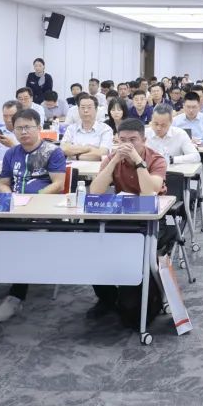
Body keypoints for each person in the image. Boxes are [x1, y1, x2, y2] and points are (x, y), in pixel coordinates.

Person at [0, 108, 67, 323]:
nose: (23, 132)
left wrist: (34, 199)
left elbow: (58, 184)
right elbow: (4, 183)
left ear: (39, 128)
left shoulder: (53, 152)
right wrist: (9, 197)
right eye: (19, 128)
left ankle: (15, 297)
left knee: (23, 241)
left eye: (28, 127)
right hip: (14, 211)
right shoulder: (11, 153)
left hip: (43, 213)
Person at [88, 118, 168, 325]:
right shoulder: (113, 158)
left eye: (133, 140)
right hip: (121, 217)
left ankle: (135, 296)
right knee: (91, 244)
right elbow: (95, 191)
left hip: (151, 220)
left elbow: (149, 193)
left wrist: (138, 161)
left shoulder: (156, 159)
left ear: (144, 140)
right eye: (122, 140)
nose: (127, 145)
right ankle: (106, 298)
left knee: (132, 251)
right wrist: (115, 160)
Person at [60, 94, 114, 161]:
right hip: (71, 166)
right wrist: (88, 148)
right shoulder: (71, 128)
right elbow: (64, 149)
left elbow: (102, 153)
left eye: (89, 107)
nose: (85, 110)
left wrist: (75, 156)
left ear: (96, 110)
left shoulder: (105, 129)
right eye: (82, 107)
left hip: (95, 167)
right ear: (78, 110)